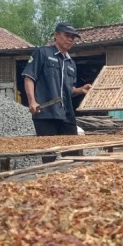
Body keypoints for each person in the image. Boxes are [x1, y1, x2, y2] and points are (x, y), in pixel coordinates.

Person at [22, 22, 92, 162]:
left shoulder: (71, 63)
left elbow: (68, 90)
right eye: (67, 35)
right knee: (49, 155)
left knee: (72, 153)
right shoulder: (42, 53)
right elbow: (29, 77)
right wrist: (32, 101)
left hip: (66, 115)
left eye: (73, 37)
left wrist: (79, 90)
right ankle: (49, 180)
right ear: (56, 35)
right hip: (46, 113)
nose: (70, 39)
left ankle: (69, 180)